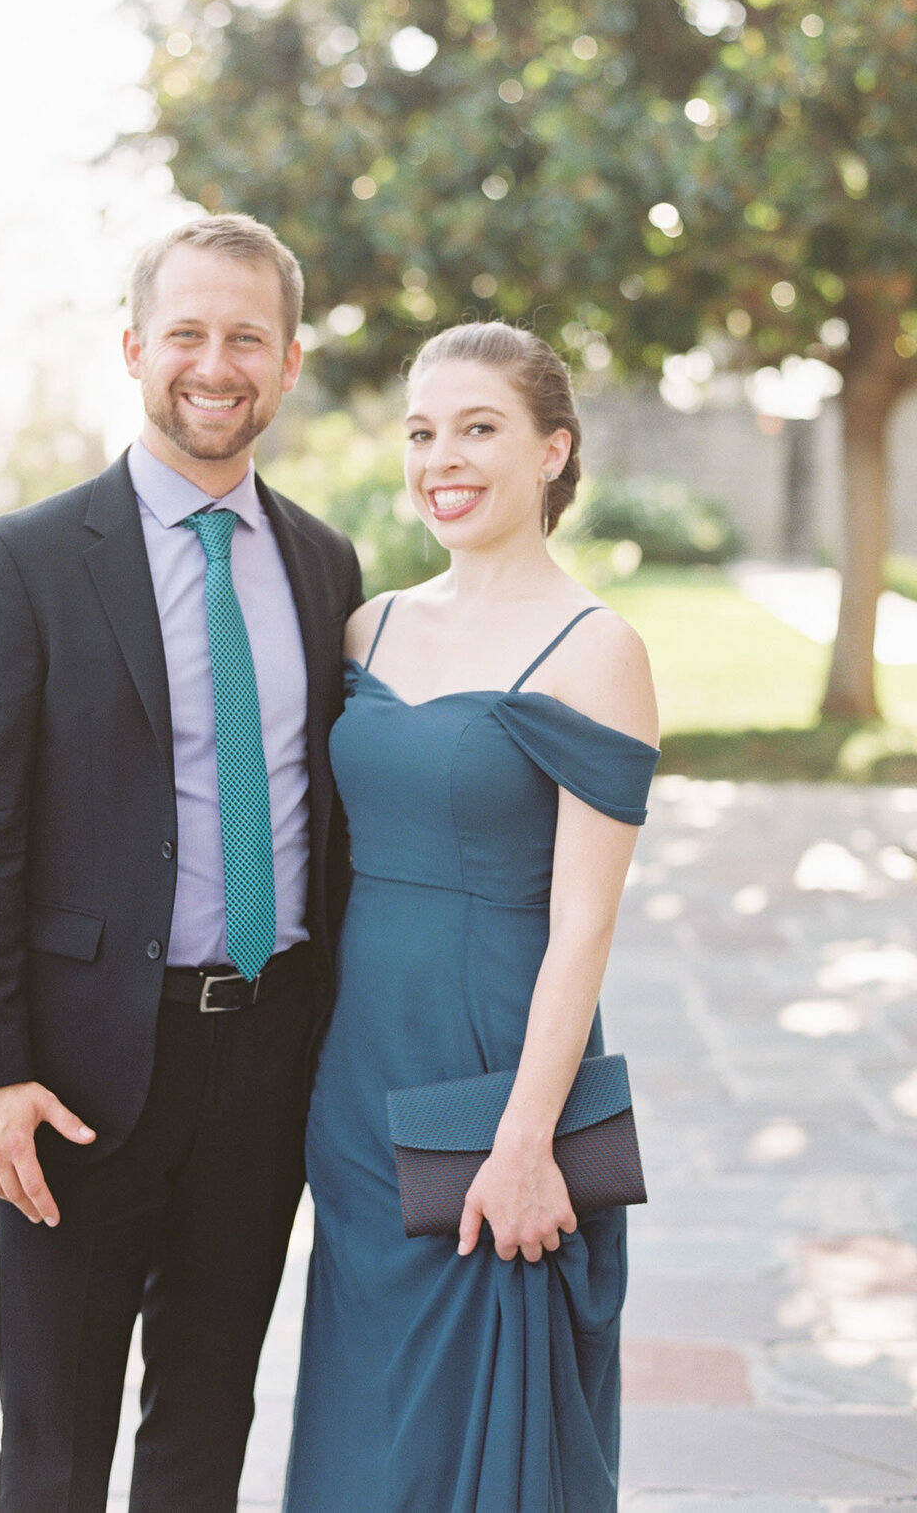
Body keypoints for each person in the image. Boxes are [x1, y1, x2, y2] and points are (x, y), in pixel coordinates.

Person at [0, 213, 362, 1513]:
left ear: (288, 366)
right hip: (75, 1076)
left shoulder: (326, 566)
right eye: (187, 333)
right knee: (53, 1452)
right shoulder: (30, 561)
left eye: (246, 338)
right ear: (132, 348)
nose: (214, 364)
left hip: (268, 1064)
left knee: (206, 1435)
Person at [284, 321, 660, 1513]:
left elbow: (586, 926)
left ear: (554, 450)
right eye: (422, 431)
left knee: (482, 1419)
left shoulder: (599, 649)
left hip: (498, 1075)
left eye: (479, 427)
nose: (441, 457)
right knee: (365, 1415)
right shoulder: (368, 625)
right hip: (356, 1085)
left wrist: (524, 1139)